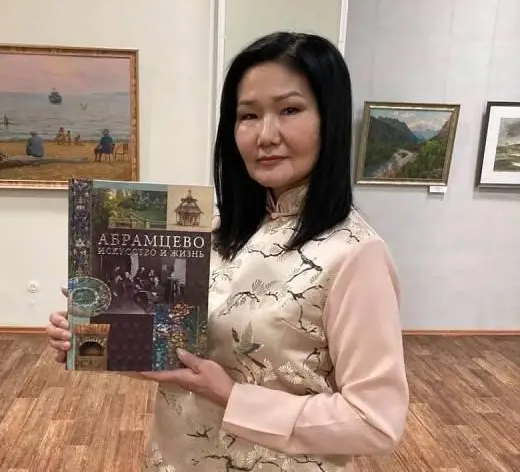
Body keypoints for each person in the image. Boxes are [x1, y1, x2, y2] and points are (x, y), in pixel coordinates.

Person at [46, 31, 409, 471]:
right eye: (248, 115)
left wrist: (231, 396)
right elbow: (178, 353)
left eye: (290, 110)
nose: (265, 135)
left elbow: (375, 421)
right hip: (178, 457)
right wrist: (96, 334)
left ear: (329, 119)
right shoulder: (211, 229)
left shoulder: (355, 253)